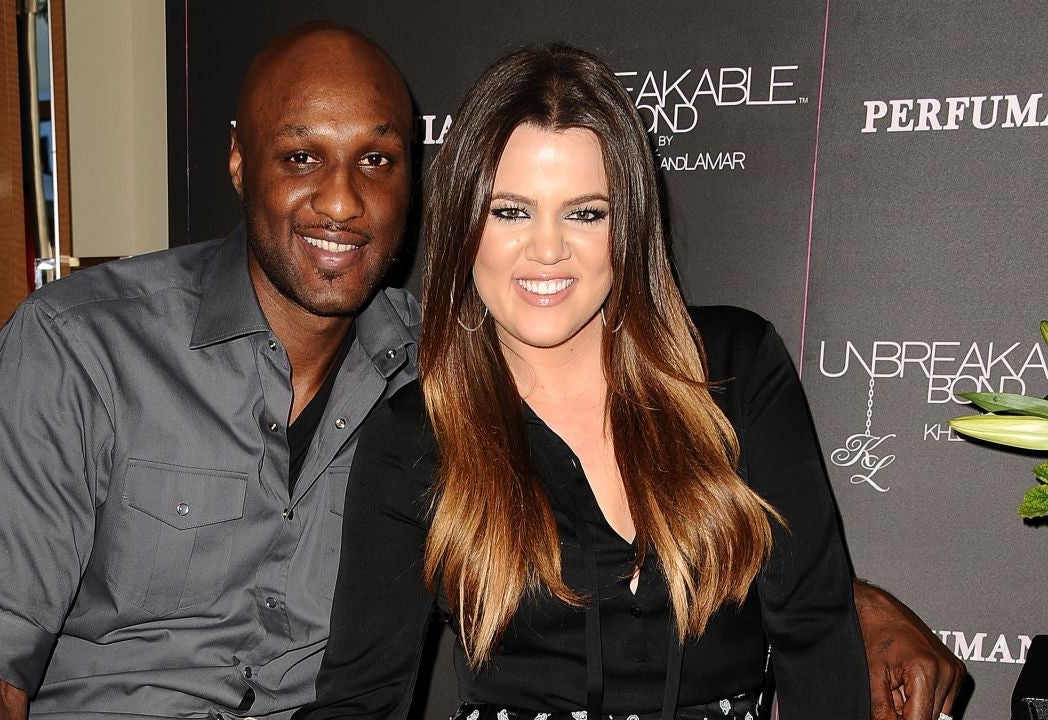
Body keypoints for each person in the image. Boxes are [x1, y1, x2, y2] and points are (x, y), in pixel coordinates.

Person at [0, 22, 962, 720]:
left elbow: (732, 550)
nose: (340, 199)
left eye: (375, 159)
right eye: (300, 156)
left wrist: (852, 602)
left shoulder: (434, 365)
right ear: (238, 160)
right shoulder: (86, 345)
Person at [293, 44, 954, 720]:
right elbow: (359, 701)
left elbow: (815, 631)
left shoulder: (735, 367)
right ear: (464, 223)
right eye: (511, 211)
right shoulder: (414, 438)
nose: (547, 250)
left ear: (629, 225)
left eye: (585, 213)